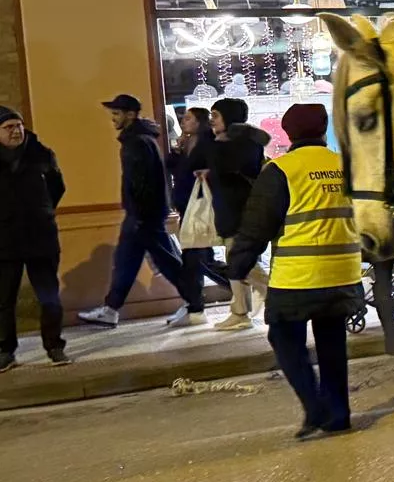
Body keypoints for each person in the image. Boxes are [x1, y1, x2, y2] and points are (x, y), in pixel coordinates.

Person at [228, 103, 363, 440]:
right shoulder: (346, 165)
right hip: (344, 274)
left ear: (287, 133)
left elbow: (258, 225)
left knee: (285, 340)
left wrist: (238, 265)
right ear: (322, 129)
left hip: (298, 278)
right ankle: (339, 414)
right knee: (332, 344)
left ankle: (315, 407)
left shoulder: (281, 170)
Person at [78, 94, 205, 328]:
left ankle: (195, 304)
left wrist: (139, 214)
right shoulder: (139, 140)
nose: (113, 119)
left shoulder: (137, 142)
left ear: (130, 114)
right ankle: (111, 308)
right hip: (143, 214)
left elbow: (143, 182)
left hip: (143, 215)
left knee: (166, 262)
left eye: (117, 114)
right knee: (127, 260)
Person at [0, 107, 68, 370]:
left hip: (40, 237)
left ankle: (54, 346)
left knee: (49, 297)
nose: (16, 131)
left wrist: (43, 211)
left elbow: (57, 187)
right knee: (4, 300)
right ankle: (5, 351)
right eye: (8, 127)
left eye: (18, 125)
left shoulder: (41, 154)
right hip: (4, 240)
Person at [205, 97, 270, 331]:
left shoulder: (240, 145)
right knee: (238, 263)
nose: (211, 121)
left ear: (229, 117)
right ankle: (240, 311)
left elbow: (228, 170)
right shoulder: (231, 142)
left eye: (215, 115)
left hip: (242, 212)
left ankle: (272, 297)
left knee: (243, 263)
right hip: (230, 212)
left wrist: (215, 146)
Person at [168, 106, 230, 297]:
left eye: (187, 118)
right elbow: (175, 168)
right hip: (187, 203)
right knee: (197, 254)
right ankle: (196, 302)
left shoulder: (207, 142)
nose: (183, 122)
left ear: (198, 121)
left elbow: (205, 169)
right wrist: (177, 152)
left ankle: (236, 280)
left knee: (196, 254)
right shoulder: (187, 142)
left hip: (200, 203)